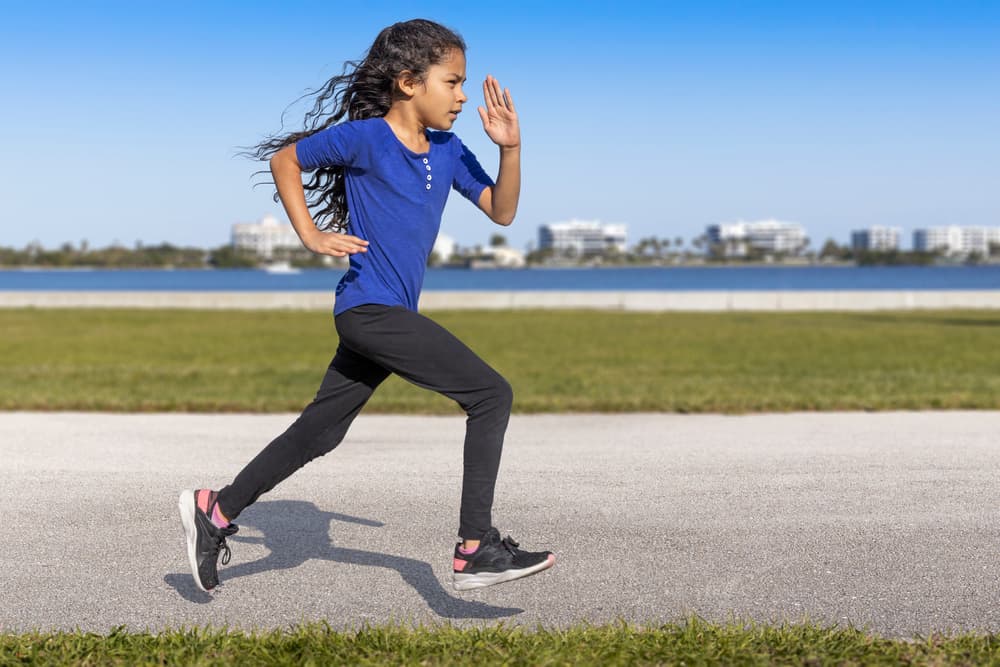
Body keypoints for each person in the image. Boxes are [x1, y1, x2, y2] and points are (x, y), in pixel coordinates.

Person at [178, 18, 554, 594]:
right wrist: (309, 235)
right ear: (409, 82)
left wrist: (512, 149)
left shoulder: (449, 151)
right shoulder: (366, 138)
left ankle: (216, 510)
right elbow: (287, 160)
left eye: (463, 84)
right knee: (490, 393)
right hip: (370, 311)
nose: (461, 97)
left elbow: (501, 211)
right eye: (452, 83)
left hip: (382, 315)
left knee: (319, 433)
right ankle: (475, 548)